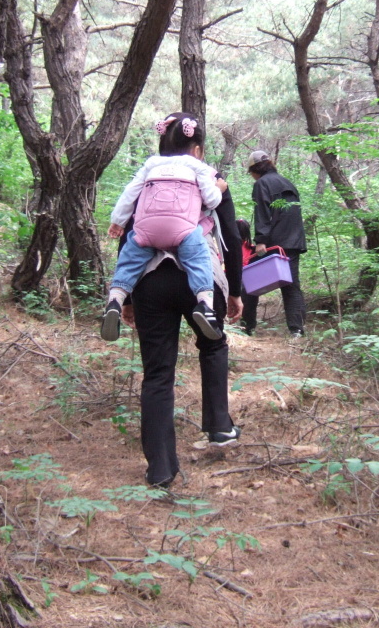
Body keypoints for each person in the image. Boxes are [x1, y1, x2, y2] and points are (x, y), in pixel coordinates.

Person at [119, 112, 244, 489]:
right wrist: (236, 291)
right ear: (198, 149)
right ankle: (219, 426)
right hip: (199, 278)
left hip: (150, 281)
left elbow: (129, 232)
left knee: (158, 373)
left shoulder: (148, 178)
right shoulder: (209, 180)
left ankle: (160, 468)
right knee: (213, 344)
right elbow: (233, 240)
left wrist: (126, 297)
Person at [101, 114, 223, 342]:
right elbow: (212, 200)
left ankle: (115, 299)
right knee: (199, 259)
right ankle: (205, 305)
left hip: (147, 230)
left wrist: (118, 221)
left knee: (130, 258)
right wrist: (219, 188)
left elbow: (129, 194)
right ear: (197, 150)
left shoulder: (150, 165)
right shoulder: (198, 167)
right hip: (183, 230)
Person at [243, 149, 307, 338]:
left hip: (273, 244)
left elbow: (263, 212)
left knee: (250, 282)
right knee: (292, 285)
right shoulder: (287, 182)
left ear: (256, 169)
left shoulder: (262, 184)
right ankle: (297, 330)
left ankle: (247, 327)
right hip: (293, 242)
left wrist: (260, 240)